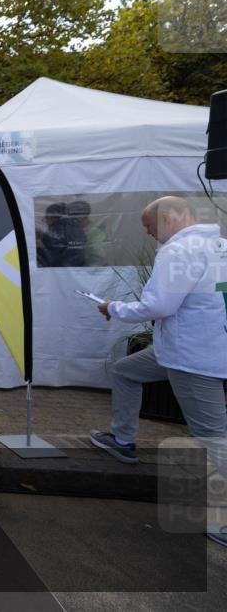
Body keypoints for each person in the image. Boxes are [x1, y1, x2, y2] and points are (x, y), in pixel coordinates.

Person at [93, 196, 227, 546]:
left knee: (214, 435)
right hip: (194, 348)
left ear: (167, 218)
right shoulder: (219, 245)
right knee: (125, 371)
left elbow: (160, 306)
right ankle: (122, 440)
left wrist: (113, 307)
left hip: (191, 358)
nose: (149, 234)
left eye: (149, 226)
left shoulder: (178, 251)